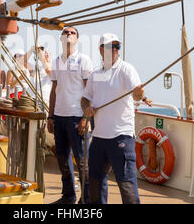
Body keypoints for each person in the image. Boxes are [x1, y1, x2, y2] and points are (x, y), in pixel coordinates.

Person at [80, 33, 152, 204]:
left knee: (126, 184)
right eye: (109, 46)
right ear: (100, 49)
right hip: (99, 138)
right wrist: (86, 109)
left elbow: (136, 94)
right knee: (95, 182)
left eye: (116, 46)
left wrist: (140, 94)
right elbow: (85, 98)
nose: (113, 50)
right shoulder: (95, 74)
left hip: (121, 137)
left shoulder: (126, 69)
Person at [48, 26, 93, 204]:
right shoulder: (56, 62)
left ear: (77, 39)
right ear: (60, 38)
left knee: (82, 161)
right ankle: (68, 196)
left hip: (77, 117)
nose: (68, 34)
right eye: (65, 32)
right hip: (59, 116)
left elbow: (90, 91)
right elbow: (54, 90)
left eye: (72, 32)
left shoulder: (83, 60)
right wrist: (50, 116)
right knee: (62, 159)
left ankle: (87, 199)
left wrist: (85, 118)